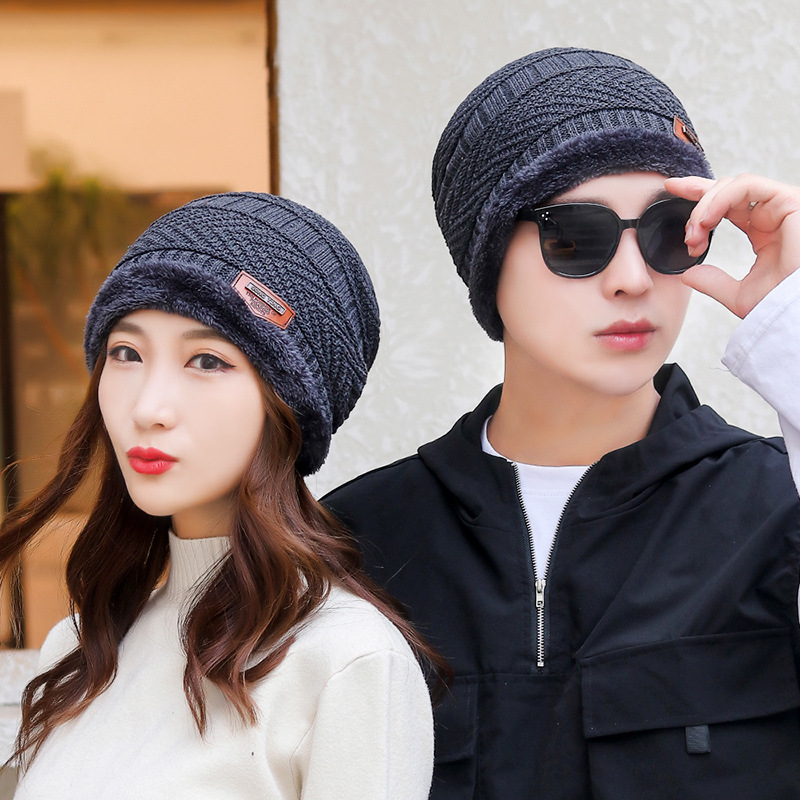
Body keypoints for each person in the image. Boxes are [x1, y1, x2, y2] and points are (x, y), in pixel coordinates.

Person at [323, 47, 800, 798]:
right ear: (487, 263)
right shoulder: (353, 544)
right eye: (575, 237)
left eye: (668, 231)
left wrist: (793, 323)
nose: (633, 278)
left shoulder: (777, 506)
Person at [1, 192, 440, 798]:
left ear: (287, 405)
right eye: (126, 353)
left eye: (206, 361)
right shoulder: (78, 651)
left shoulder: (347, 662)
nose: (148, 407)